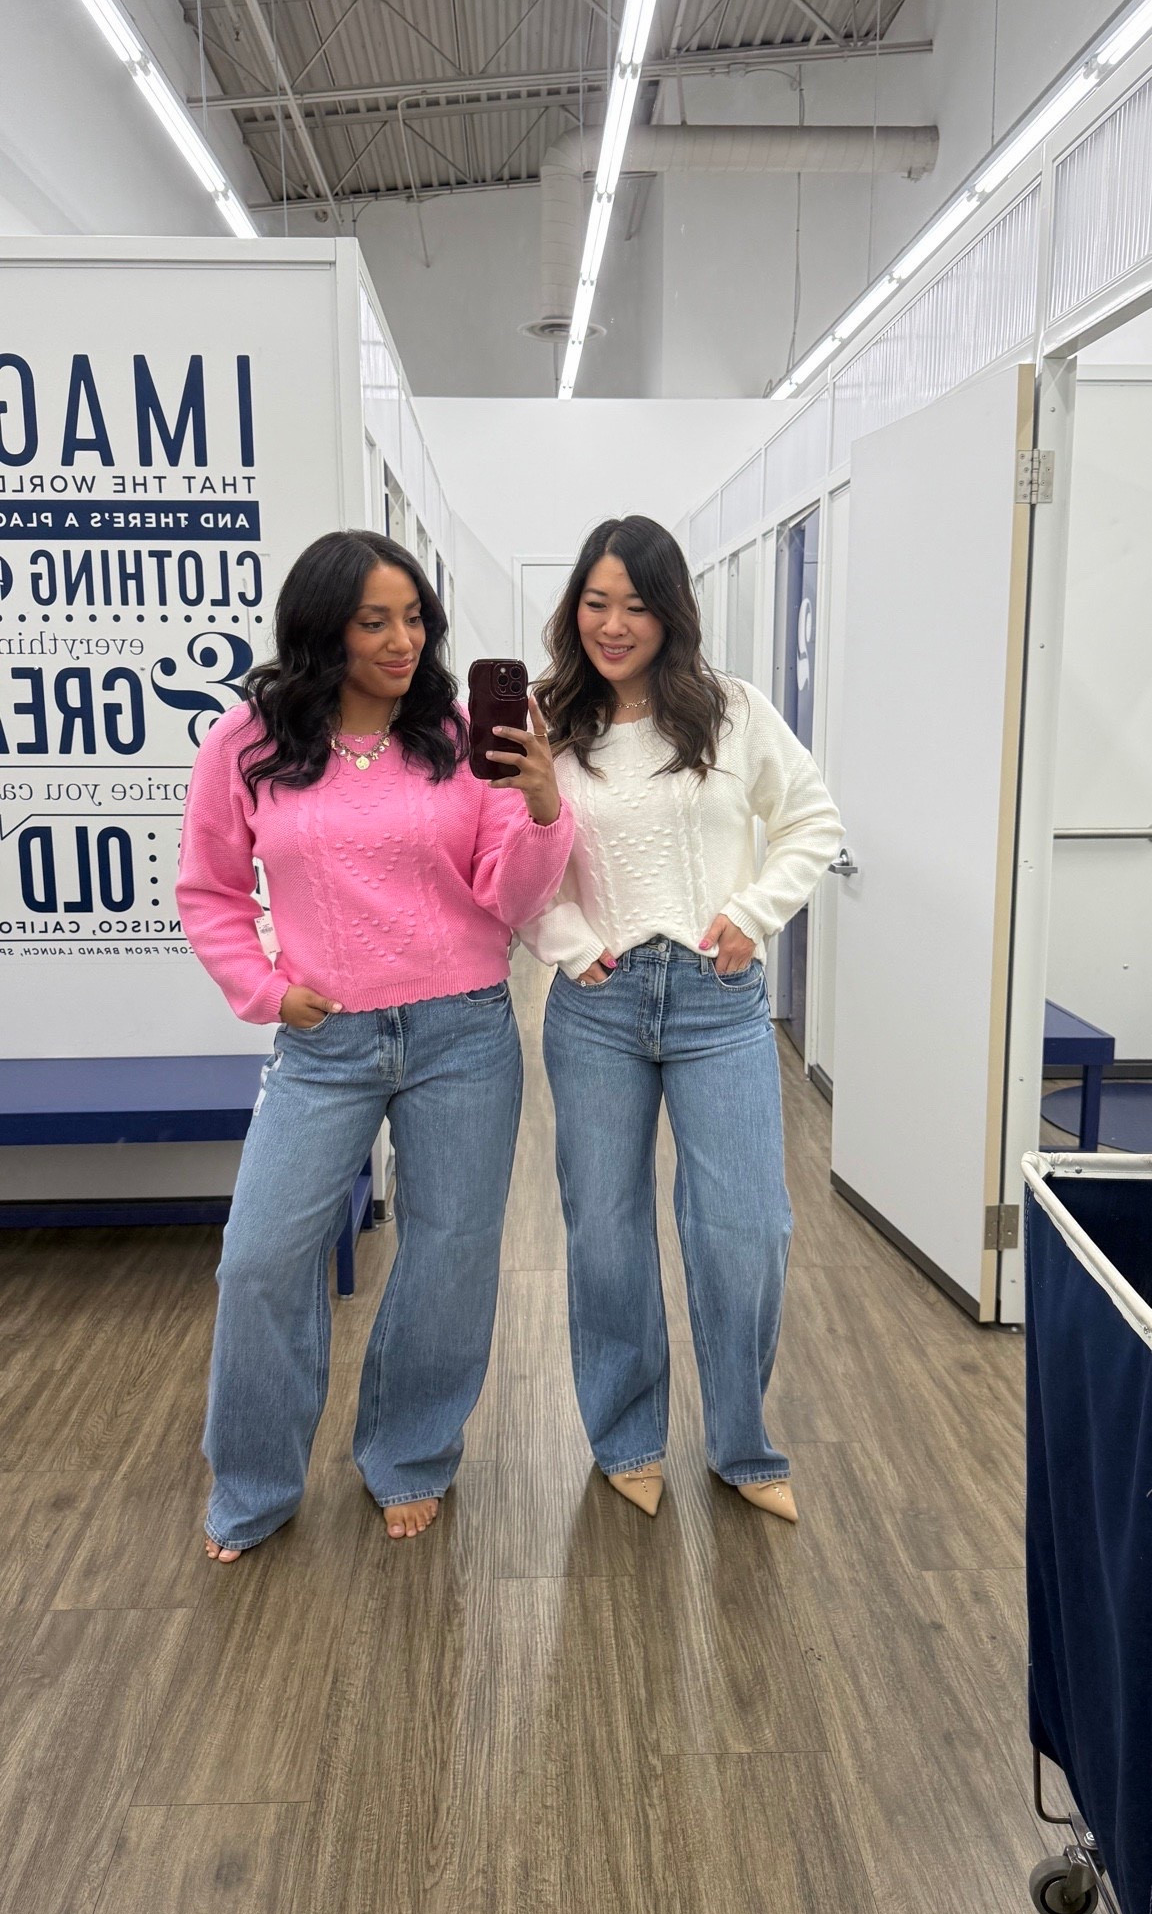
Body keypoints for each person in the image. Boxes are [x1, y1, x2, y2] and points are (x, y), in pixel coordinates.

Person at [177, 530, 571, 1558]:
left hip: (464, 1032)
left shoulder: (457, 733)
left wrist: (541, 810)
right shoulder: (249, 742)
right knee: (261, 1260)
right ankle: (255, 1483)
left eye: (416, 619)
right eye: (374, 621)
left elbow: (509, 896)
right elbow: (210, 889)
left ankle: (409, 1454)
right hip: (326, 1042)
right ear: (322, 628)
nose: (404, 641)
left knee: (450, 1254)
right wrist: (266, 989)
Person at [522, 516, 842, 1521]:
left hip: (717, 1001)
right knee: (606, 1231)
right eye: (596, 602)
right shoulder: (545, 722)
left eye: (637, 604)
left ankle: (743, 1441)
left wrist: (755, 911)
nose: (614, 624)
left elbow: (813, 820)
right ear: (573, 608)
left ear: (672, 612)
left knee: (747, 1228)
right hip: (598, 1004)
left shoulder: (731, 710)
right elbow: (510, 860)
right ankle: (627, 1435)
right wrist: (568, 940)